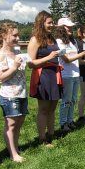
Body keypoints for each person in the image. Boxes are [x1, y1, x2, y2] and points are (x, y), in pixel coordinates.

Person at [0, 22, 28, 162]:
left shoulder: (17, 51)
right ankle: (13, 154)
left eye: (18, 35)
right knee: (11, 124)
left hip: (21, 92)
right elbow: (1, 78)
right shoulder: (0, 55)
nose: (18, 38)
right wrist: (14, 67)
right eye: (14, 35)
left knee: (19, 122)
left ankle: (15, 148)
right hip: (9, 96)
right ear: (3, 36)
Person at [27, 11, 62, 147]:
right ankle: (42, 138)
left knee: (53, 107)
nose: (52, 25)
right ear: (41, 23)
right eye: (49, 23)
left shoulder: (51, 38)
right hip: (43, 76)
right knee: (43, 109)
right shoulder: (35, 39)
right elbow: (30, 63)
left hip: (55, 74)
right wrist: (49, 57)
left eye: (52, 22)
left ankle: (51, 134)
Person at [55, 17, 85, 132]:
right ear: (61, 28)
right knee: (66, 100)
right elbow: (66, 59)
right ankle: (63, 123)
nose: (70, 28)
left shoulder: (73, 41)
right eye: (67, 26)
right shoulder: (59, 42)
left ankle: (70, 121)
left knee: (74, 99)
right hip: (66, 75)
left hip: (76, 74)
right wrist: (81, 55)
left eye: (71, 26)